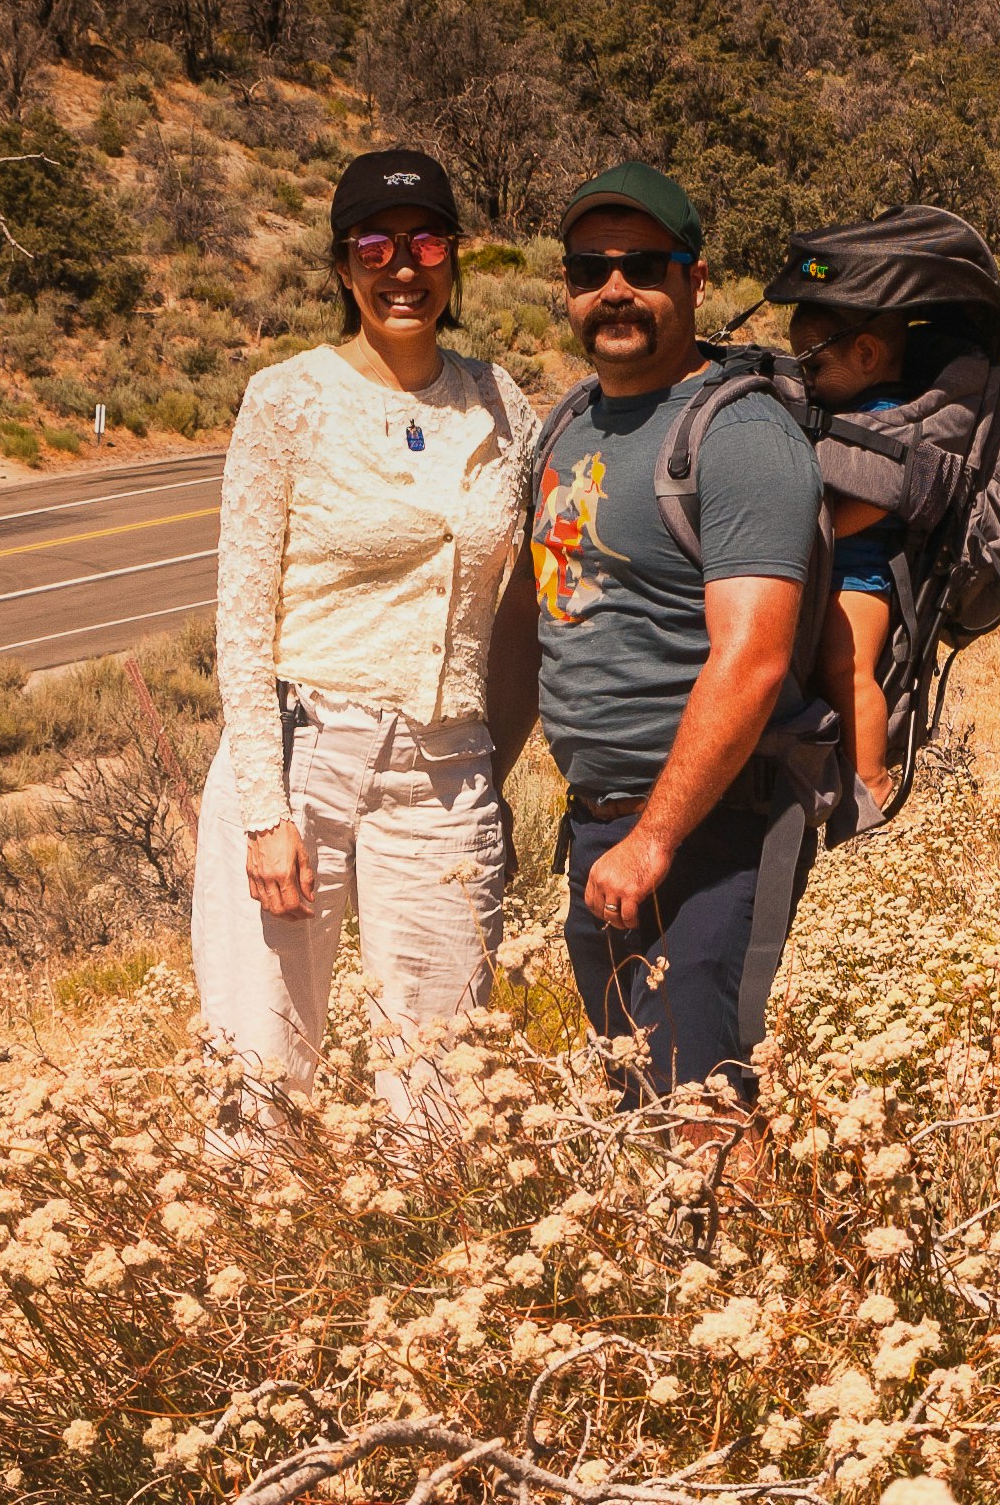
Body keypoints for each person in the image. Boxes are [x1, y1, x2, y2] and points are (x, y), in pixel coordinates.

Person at [192, 147, 541, 1119]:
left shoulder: (500, 403)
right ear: (344, 264)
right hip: (303, 762)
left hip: (445, 775)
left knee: (437, 1090)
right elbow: (241, 616)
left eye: (425, 239)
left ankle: (410, 1270)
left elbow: (543, 588)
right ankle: (247, 1271)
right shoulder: (286, 398)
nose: (403, 265)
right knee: (259, 1077)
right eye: (375, 243)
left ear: (455, 258)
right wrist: (266, 811)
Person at [529, 161, 823, 1103]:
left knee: (704, 1111)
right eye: (589, 269)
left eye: (644, 264)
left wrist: (655, 838)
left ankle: (758, 1253)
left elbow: (754, 657)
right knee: (637, 1104)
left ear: (695, 281)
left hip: (707, 833)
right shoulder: (570, 424)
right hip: (600, 834)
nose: (614, 289)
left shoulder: (739, 440)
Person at [786, 300, 915, 815]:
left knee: (847, 668)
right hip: (826, 571)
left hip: (860, 576)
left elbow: (881, 497)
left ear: (865, 353)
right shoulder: (841, 413)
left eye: (814, 365)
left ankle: (873, 780)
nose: (806, 379)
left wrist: (822, 528)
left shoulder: (887, 418)